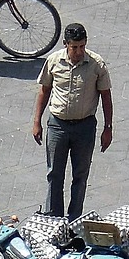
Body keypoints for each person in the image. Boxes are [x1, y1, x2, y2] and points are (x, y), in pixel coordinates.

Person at [31, 22, 113, 219]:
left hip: (85, 127)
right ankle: (54, 218)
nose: (78, 51)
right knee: (54, 175)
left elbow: (106, 96)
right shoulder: (53, 61)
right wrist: (37, 121)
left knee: (80, 176)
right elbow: (44, 90)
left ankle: (74, 218)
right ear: (65, 44)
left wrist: (108, 127)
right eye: (74, 47)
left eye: (82, 46)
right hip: (57, 125)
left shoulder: (96, 64)